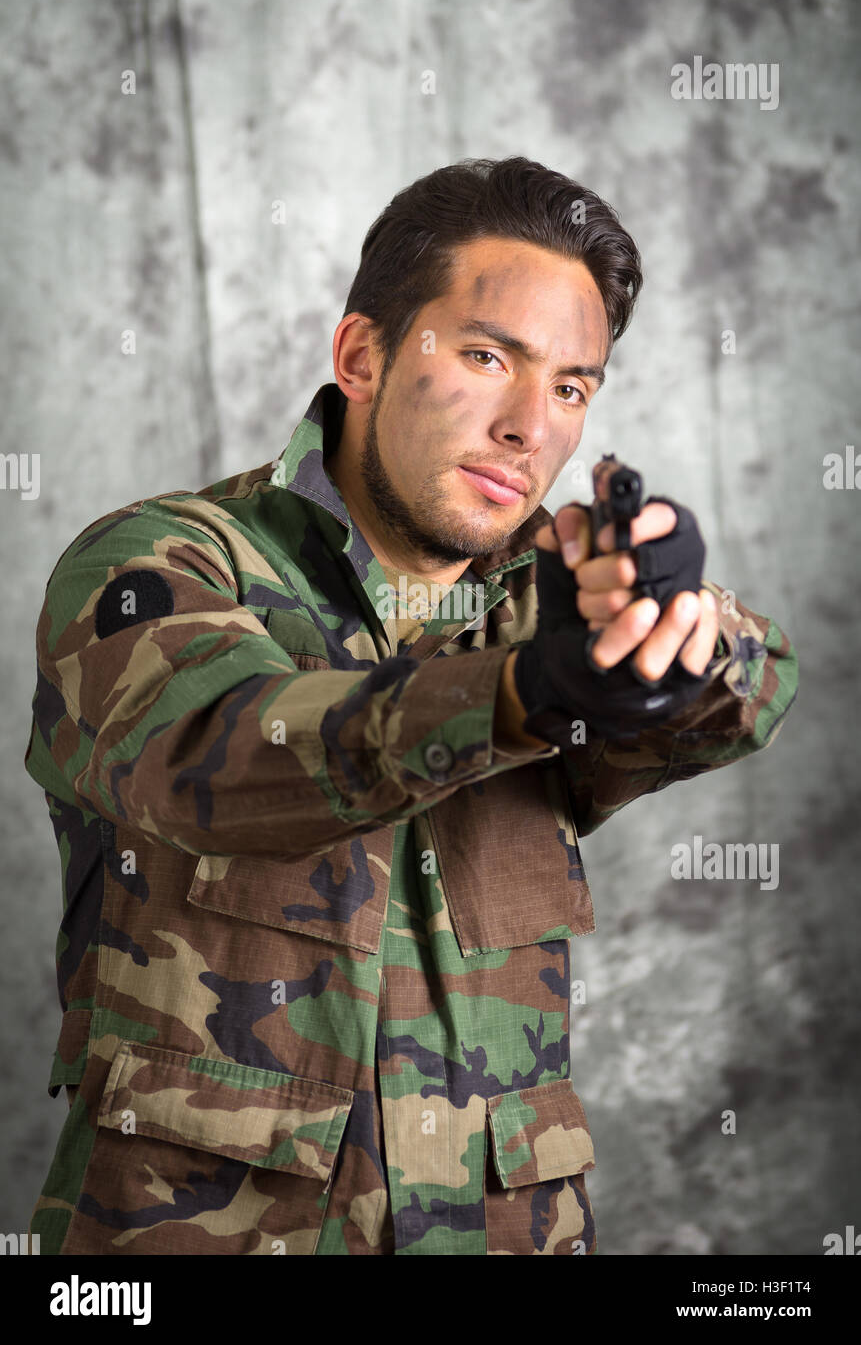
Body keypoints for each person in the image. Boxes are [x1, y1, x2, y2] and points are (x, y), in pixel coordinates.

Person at [24, 156, 797, 1256]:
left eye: (573, 385)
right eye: (489, 357)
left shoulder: (557, 598)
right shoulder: (160, 562)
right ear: (362, 356)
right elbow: (204, 753)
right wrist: (523, 696)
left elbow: (764, 685)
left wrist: (678, 637)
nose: (532, 426)